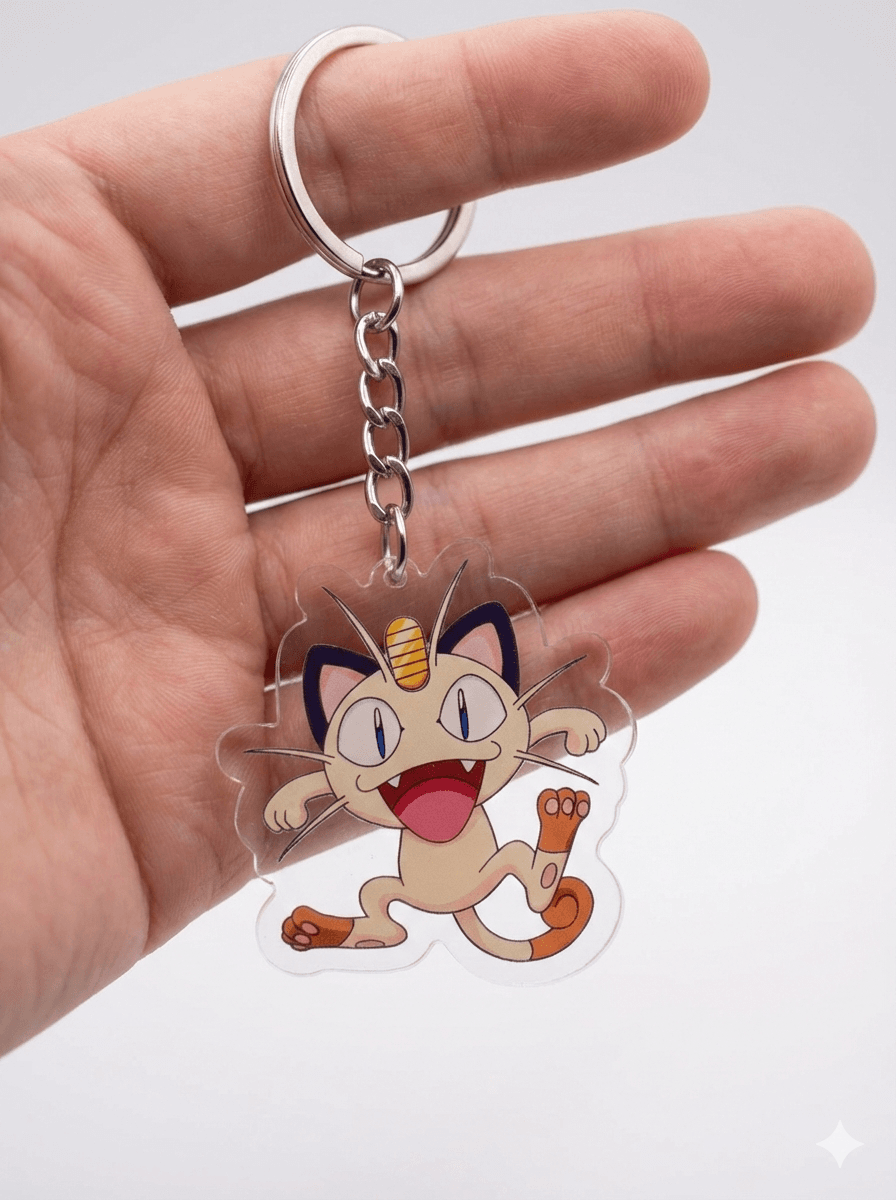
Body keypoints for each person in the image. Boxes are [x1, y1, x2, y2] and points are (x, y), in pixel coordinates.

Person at [0, 11, 874, 1055]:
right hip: (441, 870)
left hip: (474, 867)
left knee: (464, 886)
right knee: (411, 894)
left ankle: (519, 884)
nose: (421, 745)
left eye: (459, 713)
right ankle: (408, 915)